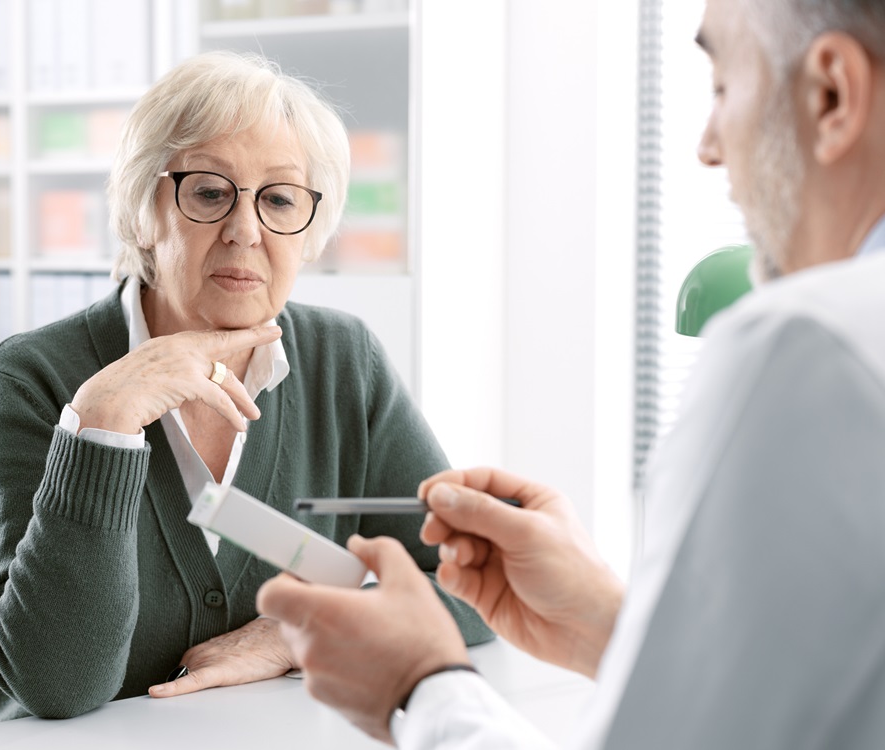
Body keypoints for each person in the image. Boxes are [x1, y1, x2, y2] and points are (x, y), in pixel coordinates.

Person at [256, 0, 885, 747]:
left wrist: (422, 687)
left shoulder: (806, 346)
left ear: (832, 96)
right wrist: (608, 625)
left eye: (721, 88)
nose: (707, 146)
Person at [0, 50, 490, 733]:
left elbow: (472, 580)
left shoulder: (342, 359)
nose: (245, 230)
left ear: (312, 231)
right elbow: (59, 683)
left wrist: (292, 635)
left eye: (280, 198)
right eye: (207, 191)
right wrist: (103, 423)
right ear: (143, 212)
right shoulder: (31, 376)